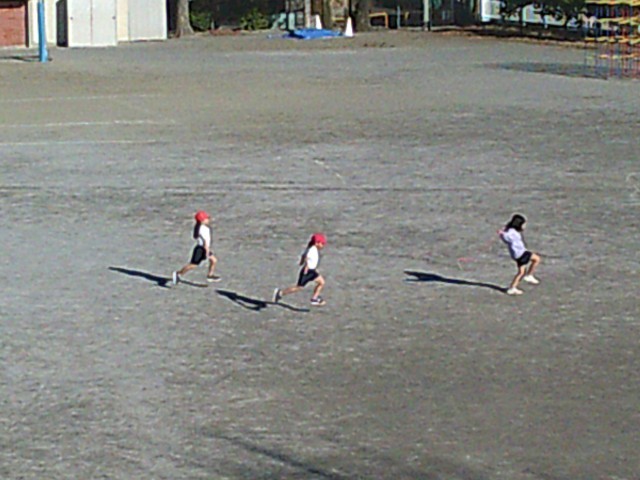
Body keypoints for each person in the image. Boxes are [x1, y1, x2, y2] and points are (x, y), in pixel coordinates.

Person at [273, 233, 327, 306]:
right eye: (322, 243)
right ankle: (280, 293)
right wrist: (306, 266)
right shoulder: (312, 250)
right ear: (317, 243)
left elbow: (303, 255)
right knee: (298, 287)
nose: (323, 245)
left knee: (321, 282)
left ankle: (314, 298)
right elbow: (306, 257)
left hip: (312, 271)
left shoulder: (312, 248)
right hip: (307, 272)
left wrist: (301, 262)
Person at [172, 210, 220, 285]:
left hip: (203, 248)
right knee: (193, 265)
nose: (208, 220)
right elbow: (205, 242)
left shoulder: (201, 228)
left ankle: (210, 275)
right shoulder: (203, 229)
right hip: (201, 249)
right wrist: (207, 252)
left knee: (214, 260)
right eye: (206, 218)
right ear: (202, 221)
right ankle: (178, 273)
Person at [499, 214, 541, 295]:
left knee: (521, 272)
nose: (524, 226)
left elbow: (506, 238)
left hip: (518, 254)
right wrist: (502, 234)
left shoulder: (510, 231)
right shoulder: (512, 233)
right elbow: (507, 236)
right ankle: (529, 275)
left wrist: (502, 233)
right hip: (521, 253)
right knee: (537, 259)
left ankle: (512, 288)